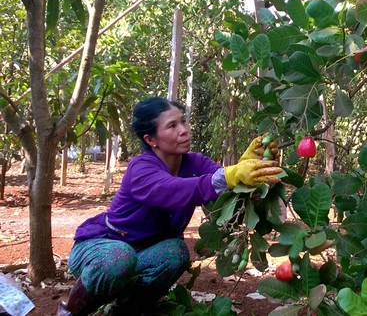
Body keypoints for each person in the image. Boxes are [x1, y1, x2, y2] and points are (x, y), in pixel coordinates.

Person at [57, 97, 282, 316]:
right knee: (120, 257)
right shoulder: (141, 169)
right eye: (172, 126)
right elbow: (173, 189)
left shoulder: (195, 162)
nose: (183, 130)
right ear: (151, 139)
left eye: (183, 121)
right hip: (101, 247)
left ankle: (127, 310)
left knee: (175, 253)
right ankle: (70, 310)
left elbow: (224, 186)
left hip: (145, 252)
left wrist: (246, 168)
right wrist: (231, 174)